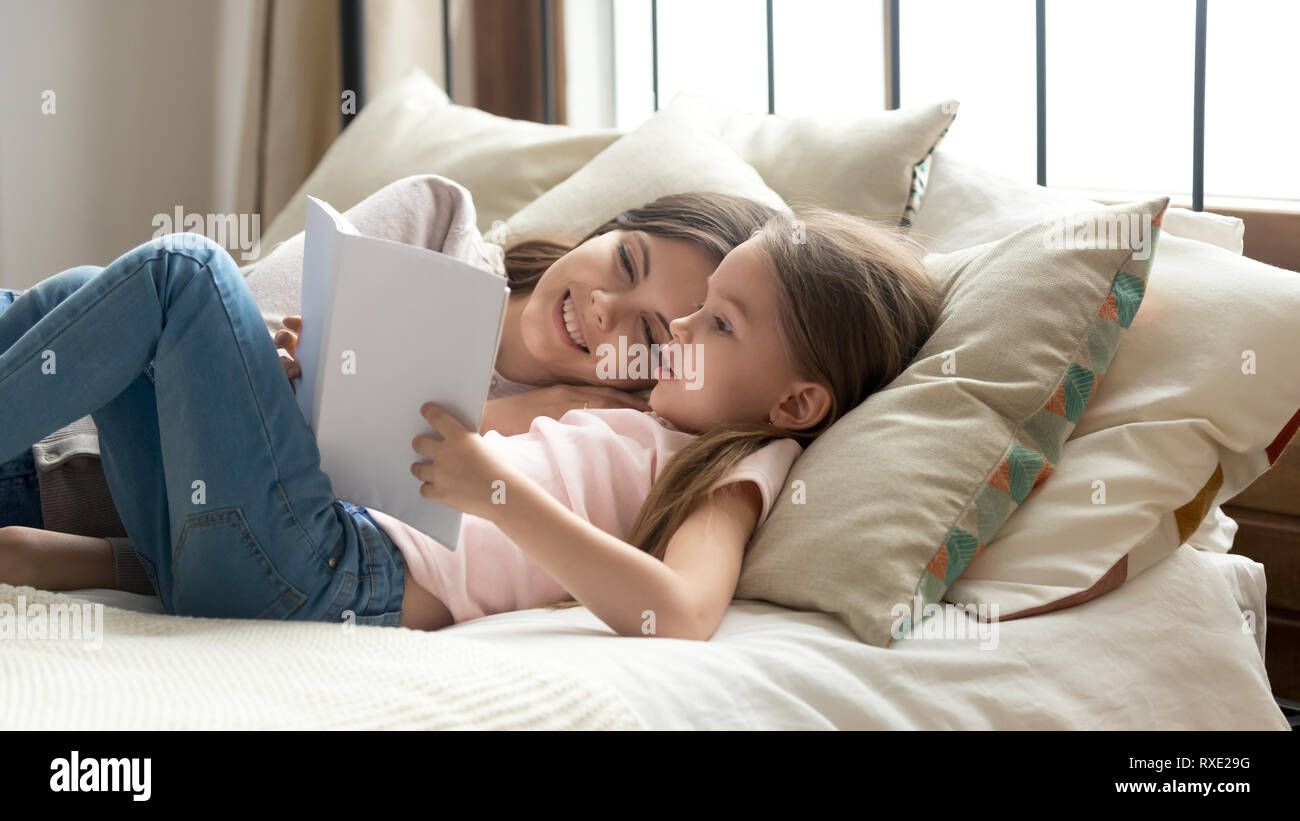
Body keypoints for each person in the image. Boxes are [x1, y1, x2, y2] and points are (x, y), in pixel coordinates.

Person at [0, 191, 778, 597]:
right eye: (626, 260)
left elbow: (297, 526)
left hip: (76, 486)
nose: (604, 304)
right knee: (84, 287)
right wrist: (268, 355)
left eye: (645, 337)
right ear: (607, 229)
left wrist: (95, 560)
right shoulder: (439, 224)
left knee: (170, 273)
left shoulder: (574, 439)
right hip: (65, 416)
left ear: (656, 379)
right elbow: (209, 324)